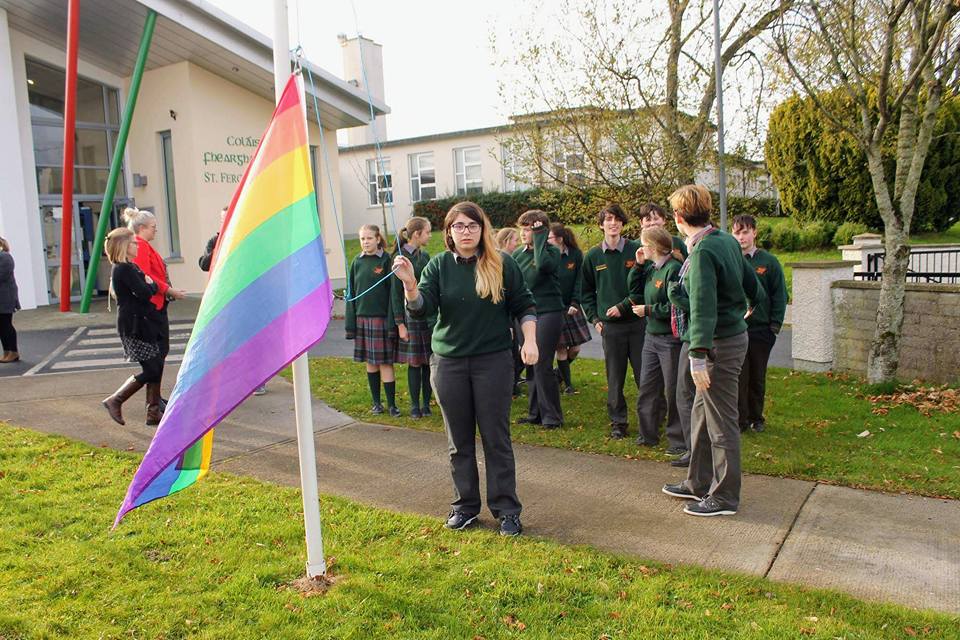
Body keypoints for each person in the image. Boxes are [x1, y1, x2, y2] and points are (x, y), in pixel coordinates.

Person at [394, 201, 537, 537]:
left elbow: (525, 305)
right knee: (459, 441)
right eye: (458, 226)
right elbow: (420, 309)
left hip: (493, 362)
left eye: (472, 225)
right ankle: (465, 507)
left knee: (496, 438)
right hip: (449, 364)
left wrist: (530, 340)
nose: (466, 232)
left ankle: (506, 510)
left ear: (482, 228)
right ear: (449, 232)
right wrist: (410, 285)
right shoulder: (439, 265)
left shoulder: (502, 263)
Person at [660, 185, 752, 517]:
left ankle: (725, 497)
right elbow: (748, 281)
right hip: (727, 338)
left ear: (679, 217)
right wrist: (752, 303)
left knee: (721, 421)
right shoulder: (724, 240)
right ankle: (696, 482)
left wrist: (697, 355)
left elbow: (702, 306)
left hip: (717, 346)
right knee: (700, 413)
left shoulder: (701, 253)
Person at [581, 203, 645, 439]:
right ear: (601, 225)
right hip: (610, 328)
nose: (613, 223)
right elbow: (585, 292)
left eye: (617, 218)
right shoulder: (593, 256)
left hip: (638, 325)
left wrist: (626, 307)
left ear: (622, 223)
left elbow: (645, 286)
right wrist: (594, 319)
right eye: (608, 219)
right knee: (615, 378)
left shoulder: (636, 250)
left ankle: (650, 420)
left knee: (644, 376)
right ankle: (619, 422)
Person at [124, 208, 187, 417]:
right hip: (151, 309)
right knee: (156, 357)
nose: (155, 231)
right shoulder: (140, 246)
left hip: (155, 306)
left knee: (159, 355)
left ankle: (155, 401)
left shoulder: (143, 246)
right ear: (142, 228)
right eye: (153, 228)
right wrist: (168, 290)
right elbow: (145, 277)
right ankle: (150, 405)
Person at [199, 207, 267, 396]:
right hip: (224, 299)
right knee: (226, 340)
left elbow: (260, 263)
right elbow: (204, 264)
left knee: (252, 339)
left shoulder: (249, 239)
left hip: (248, 297)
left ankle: (257, 380)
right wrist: (218, 249)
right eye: (223, 218)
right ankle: (228, 380)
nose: (226, 221)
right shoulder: (215, 241)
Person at [101, 228, 164, 426]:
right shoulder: (123, 269)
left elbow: (147, 287)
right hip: (135, 325)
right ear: (124, 247)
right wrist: (151, 285)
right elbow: (145, 291)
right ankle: (116, 399)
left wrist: (149, 284)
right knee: (152, 369)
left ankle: (153, 413)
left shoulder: (130, 267)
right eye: (133, 243)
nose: (137, 246)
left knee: (156, 365)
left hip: (141, 322)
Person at [733, 214, 787, 433]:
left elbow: (780, 295)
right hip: (736, 329)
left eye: (745, 232)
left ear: (754, 232)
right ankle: (740, 420)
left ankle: (757, 418)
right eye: (736, 233)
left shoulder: (768, 262)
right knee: (738, 376)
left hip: (761, 330)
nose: (741, 237)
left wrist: (774, 326)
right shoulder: (731, 260)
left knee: (757, 375)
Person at [631, 227, 683, 450]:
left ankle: (678, 440)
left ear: (653, 247)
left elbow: (676, 306)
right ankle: (647, 434)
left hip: (669, 339)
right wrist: (638, 265)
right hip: (651, 337)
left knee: (673, 390)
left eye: (644, 244)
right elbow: (634, 290)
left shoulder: (673, 268)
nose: (641, 248)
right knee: (648, 387)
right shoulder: (652, 268)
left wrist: (649, 310)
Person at [513, 210, 564, 429]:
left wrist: (541, 236)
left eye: (528, 229)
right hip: (526, 314)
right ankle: (535, 413)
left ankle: (552, 416)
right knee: (530, 363)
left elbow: (543, 265)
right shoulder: (517, 255)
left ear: (540, 231)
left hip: (549, 312)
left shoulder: (551, 252)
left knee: (542, 362)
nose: (523, 233)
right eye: (522, 229)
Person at [346, 224, 400, 417]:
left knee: (385, 363)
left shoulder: (387, 261)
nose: (365, 242)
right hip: (362, 319)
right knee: (370, 363)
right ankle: (377, 403)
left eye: (369, 238)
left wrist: (393, 323)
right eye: (362, 239)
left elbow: (393, 294)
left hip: (381, 320)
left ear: (378, 239)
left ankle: (392, 404)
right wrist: (350, 325)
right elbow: (350, 294)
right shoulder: (356, 262)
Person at [391, 216, 434, 418]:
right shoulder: (399, 258)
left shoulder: (424, 257)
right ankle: (415, 406)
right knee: (414, 362)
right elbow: (395, 294)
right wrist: (400, 323)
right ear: (417, 234)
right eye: (427, 231)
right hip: (410, 319)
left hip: (428, 316)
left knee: (427, 361)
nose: (430, 235)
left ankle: (427, 404)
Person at [548, 223, 591, 394]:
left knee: (575, 349)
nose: (546, 241)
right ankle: (568, 385)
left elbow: (579, 280)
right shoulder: (547, 256)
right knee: (560, 348)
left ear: (559, 239)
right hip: (554, 307)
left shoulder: (575, 255)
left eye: (549, 238)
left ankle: (558, 375)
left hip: (571, 306)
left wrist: (575, 302)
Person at [495, 227, 525, 395]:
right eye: (515, 240)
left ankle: (513, 384)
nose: (517, 243)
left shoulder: (512, 259)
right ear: (506, 241)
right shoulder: (500, 261)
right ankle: (511, 385)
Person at [0, 235, 20, 364]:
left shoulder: (5, 257)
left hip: (5, 296)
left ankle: (13, 351)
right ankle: (6, 351)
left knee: (6, 325)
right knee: (1, 326)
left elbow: (2, 275)